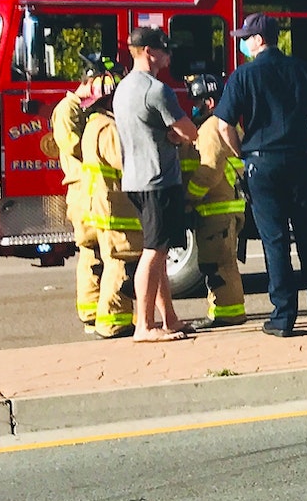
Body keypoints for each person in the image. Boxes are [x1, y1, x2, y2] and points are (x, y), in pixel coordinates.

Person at [211, 13, 307, 337]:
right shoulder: (303, 70)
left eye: (245, 37)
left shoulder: (243, 76)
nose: (242, 43)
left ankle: (283, 318)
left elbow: (223, 124)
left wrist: (242, 152)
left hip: (262, 164)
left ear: (257, 40)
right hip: (300, 160)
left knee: (275, 241)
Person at [111, 28, 198, 341]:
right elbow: (189, 131)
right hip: (158, 179)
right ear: (148, 51)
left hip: (135, 179)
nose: (169, 56)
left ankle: (169, 318)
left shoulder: (123, 89)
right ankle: (144, 326)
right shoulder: (157, 90)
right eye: (165, 50)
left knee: (159, 252)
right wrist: (179, 134)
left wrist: (170, 133)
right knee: (153, 252)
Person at [52, 62, 117, 333]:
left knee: (98, 253)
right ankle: (90, 312)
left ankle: (93, 309)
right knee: (91, 251)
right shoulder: (67, 109)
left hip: (92, 188)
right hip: (81, 189)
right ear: (90, 82)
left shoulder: (83, 109)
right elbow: (72, 145)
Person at [183, 75, 248, 327]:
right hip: (221, 206)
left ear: (209, 101)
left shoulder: (211, 127)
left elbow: (209, 170)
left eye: (197, 101)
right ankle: (226, 311)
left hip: (216, 207)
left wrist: (188, 196)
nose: (194, 106)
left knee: (218, 264)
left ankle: (227, 313)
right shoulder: (223, 122)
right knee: (222, 263)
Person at [79, 90, 142, 337]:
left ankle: (112, 320)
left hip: (104, 205)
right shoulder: (108, 128)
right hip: (115, 208)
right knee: (121, 262)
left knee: (112, 261)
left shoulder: (93, 125)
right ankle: (114, 322)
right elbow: (124, 161)